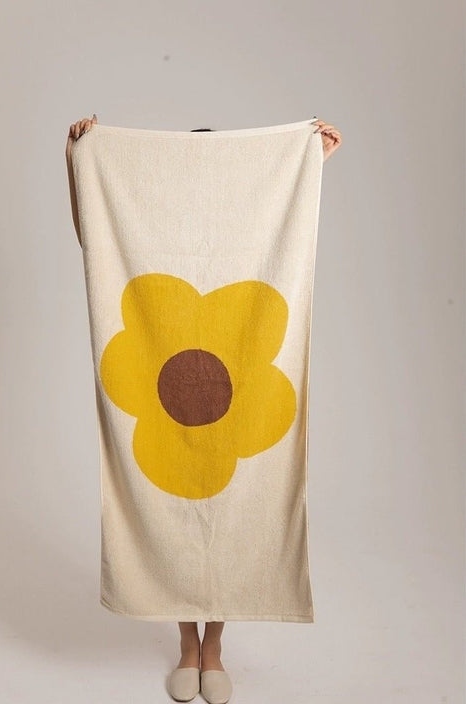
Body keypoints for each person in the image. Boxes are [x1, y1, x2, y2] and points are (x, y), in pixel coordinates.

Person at [65, 113, 342, 704]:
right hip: (160, 382)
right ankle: (186, 644)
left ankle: (212, 646)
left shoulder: (238, 231)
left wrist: (308, 162)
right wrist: (78, 158)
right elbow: (96, 238)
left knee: (233, 517)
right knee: (169, 512)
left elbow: (283, 223)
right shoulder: (154, 229)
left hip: (238, 385)